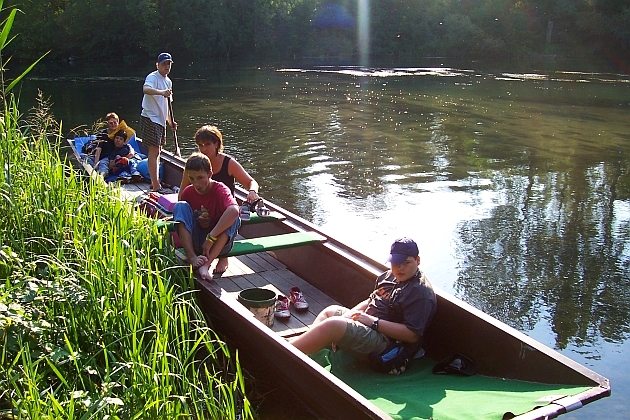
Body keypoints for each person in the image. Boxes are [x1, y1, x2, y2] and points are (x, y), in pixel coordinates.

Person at [289, 238, 436, 361]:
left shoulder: (420, 293)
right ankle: (298, 345)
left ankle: (288, 352)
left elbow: (411, 336)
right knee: (330, 312)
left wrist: (373, 322)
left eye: (406, 263)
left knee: (333, 325)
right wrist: (349, 316)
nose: (400, 268)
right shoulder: (388, 276)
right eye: (396, 263)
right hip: (370, 326)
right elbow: (371, 300)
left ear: (418, 260)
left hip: (389, 344)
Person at [178, 125, 260, 274]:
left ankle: (222, 256)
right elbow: (182, 194)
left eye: (207, 144)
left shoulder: (228, 163)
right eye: (200, 145)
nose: (203, 149)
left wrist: (252, 192)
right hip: (202, 211)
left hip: (223, 211)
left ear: (217, 144)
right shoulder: (195, 166)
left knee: (233, 215)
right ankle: (199, 253)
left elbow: (250, 182)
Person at [172, 152, 241, 280]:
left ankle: (207, 264)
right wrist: (198, 220)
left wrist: (211, 238)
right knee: (180, 206)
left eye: (200, 178)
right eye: (191, 178)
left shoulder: (220, 190)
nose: (196, 184)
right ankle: (192, 257)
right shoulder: (188, 192)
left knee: (235, 215)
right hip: (197, 243)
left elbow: (234, 211)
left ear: (210, 175)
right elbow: (186, 218)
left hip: (218, 246)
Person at [141, 52, 177, 193]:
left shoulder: (168, 81)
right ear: (158, 65)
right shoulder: (152, 77)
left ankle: (154, 182)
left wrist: (170, 122)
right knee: (154, 151)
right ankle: (156, 185)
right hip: (150, 117)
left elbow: (167, 105)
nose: (167, 66)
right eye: (164, 64)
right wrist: (162, 92)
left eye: (169, 63)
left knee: (158, 151)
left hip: (160, 120)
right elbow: (146, 89)